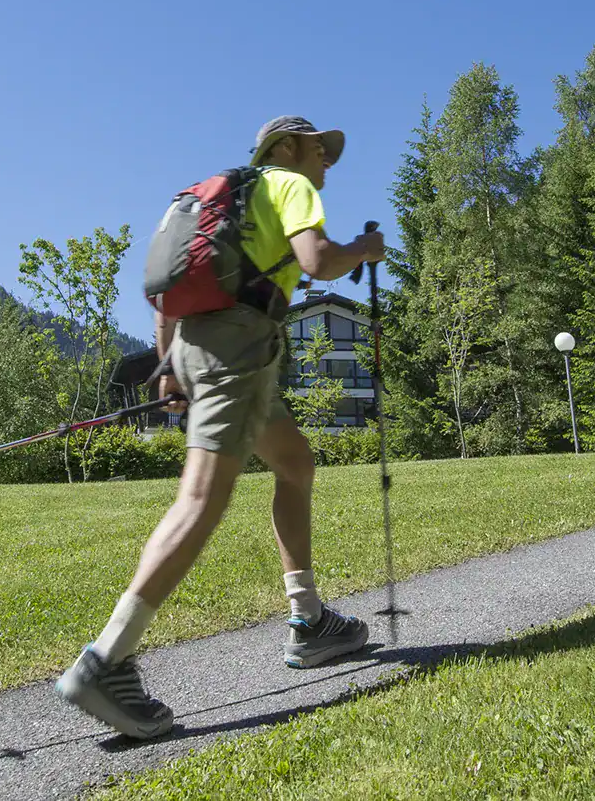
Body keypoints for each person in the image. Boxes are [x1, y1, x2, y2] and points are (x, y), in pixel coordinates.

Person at [55, 116, 388, 740]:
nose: (327, 162)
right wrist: (364, 251)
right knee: (202, 498)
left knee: (295, 463)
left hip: (212, 348)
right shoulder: (290, 186)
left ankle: (309, 621)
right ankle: (108, 658)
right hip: (237, 351)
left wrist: (170, 371)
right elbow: (316, 261)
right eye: (321, 149)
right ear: (286, 148)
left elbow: (170, 296)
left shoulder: (225, 203)